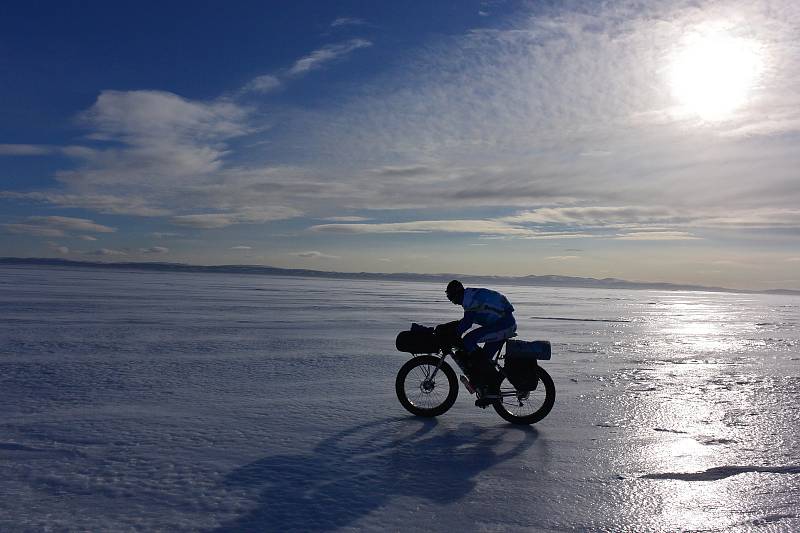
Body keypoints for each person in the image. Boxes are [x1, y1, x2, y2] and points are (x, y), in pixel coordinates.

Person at [445, 279, 517, 407]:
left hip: (504, 325)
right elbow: (468, 319)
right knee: (484, 359)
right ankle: (489, 389)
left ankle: (486, 380)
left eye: (450, 297)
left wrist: (455, 334)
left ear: (456, 293)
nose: (451, 301)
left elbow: (467, 322)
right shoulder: (470, 295)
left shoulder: (469, 299)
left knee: (469, 340)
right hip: (502, 323)